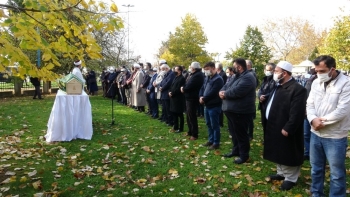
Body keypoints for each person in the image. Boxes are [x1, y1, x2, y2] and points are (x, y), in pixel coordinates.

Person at [307, 55, 350, 197]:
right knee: (315, 169)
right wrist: (313, 119)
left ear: (332, 69)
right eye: (316, 71)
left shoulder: (346, 83)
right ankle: (316, 193)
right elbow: (310, 104)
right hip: (316, 133)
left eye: (322, 71)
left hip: (335, 136)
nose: (319, 74)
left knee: (337, 173)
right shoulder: (315, 82)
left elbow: (343, 110)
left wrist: (322, 121)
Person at [264, 61, 307, 191]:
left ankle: (291, 178)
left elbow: (297, 112)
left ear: (285, 73)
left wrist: (289, 127)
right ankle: (281, 173)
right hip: (275, 124)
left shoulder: (298, 89)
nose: (274, 73)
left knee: (289, 151)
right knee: (278, 150)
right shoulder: (278, 86)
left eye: (276, 71)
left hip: (286, 126)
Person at [219, 58, 256, 164]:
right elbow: (227, 85)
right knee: (234, 133)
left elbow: (237, 91)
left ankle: (244, 156)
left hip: (241, 111)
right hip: (232, 111)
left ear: (239, 67)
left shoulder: (249, 77)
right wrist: (222, 91)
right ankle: (236, 150)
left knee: (241, 134)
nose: (231, 68)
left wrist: (224, 94)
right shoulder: (236, 76)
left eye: (234, 66)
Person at [200, 62, 224, 150]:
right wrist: (200, 96)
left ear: (213, 68)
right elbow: (202, 88)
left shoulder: (218, 79)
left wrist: (204, 98)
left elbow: (213, 92)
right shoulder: (207, 78)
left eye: (207, 69)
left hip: (214, 105)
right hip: (207, 105)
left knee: (215, 125)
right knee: (208, 123)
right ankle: (210, 140)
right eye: (205, 70)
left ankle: (216, 142)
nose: (206, 71)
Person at [181, 62, 204, 140]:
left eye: (190, 67)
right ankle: (190, 131)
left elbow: (189, 86)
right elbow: (186, 83)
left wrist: (183, 89)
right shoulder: (192, 74)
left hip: (192, 98)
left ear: (194, 68)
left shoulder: (198, 75)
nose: (189, 68)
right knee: (188, 115)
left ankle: (194, 134)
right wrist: (183, 87)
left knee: (192, 116)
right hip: (188, 97)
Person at [257, 63, 276, 138]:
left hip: (270, 104)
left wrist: (265, 96)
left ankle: (270, 139)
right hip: (263, 104)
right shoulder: (265, 79)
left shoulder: (275, 80)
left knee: (270, 124)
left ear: (273, 70)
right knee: (264, 123)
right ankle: (266, 139)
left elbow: (274, 91)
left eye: (269, 70)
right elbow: (260, 90)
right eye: (266, 70)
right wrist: (260, 96)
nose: (267, 71)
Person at [303, 65, 317, 161]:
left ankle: (314, 154)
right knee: (306, 133)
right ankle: (308, 152)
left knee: (314, 135)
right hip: (307, 110)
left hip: (317, 113)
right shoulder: (311, 80)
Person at [169, 66, 186, 132]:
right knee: (174, 113)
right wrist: (169, 92)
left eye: (175, 70)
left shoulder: (182, 78)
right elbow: (171, 86)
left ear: (179, 71)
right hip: (173, 98)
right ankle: (175, 126)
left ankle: (181, 128)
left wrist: (172, 93)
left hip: (178, 98)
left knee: (179, 114)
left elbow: (179, 88)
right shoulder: (176, 77)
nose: (174, 71)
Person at [245, 60, 258, 141]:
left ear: (249, 65)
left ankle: (250, 134)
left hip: (249, 99)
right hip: (246, 99)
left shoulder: (252, 74)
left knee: (249, 118)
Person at [215, 62, 227, 128]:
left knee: (220, 109)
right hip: (218, 93)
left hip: (221, 93)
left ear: (218, 68)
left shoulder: (223, 74)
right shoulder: (218, 74)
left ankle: (220, 123)